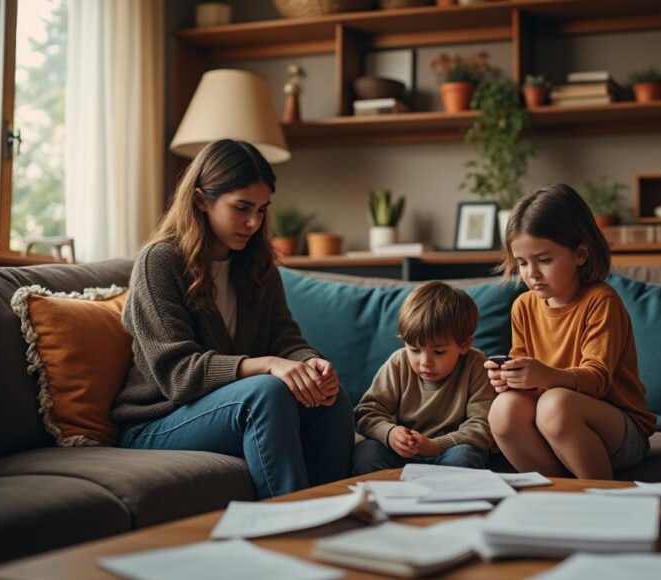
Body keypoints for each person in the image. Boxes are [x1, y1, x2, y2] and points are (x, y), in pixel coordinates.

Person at [112, 139, 354, 499]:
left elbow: (284, 338)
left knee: (331, 399)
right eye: (242, 208)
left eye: (261, 209)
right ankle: (293, 525)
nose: (253, 222)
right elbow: (178, 376)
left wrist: (310, 364)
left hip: (225, 412)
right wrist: (268, 365)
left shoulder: (258, 267)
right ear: (200, 200)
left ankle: (335, 513)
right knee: (266, 393)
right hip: (157, 422)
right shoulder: (159, 264)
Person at [486, 184, 656, 480]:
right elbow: (527, 383)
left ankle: (603, 497)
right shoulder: (523, 306)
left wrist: (545, 375)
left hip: (620, 431)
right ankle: (557, 493)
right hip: (552, 427)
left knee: (556, 403)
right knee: (503, 409)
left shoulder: (600, 301)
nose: (531, 273)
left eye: (545, 260)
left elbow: (598, 380)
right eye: (522, 262)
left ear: (580, 254)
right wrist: (509, 379)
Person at [352, 281, 496, 474]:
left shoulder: (476, 364)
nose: (425, 362)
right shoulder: (398, 363)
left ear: (464, 344)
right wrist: (390, 433)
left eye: (438, 352)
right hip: (402, 451)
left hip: (450, 449)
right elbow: (367, 412)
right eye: (414, 350)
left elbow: (483, 425)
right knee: (367, 453)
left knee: (464, 457)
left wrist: (436, 445)